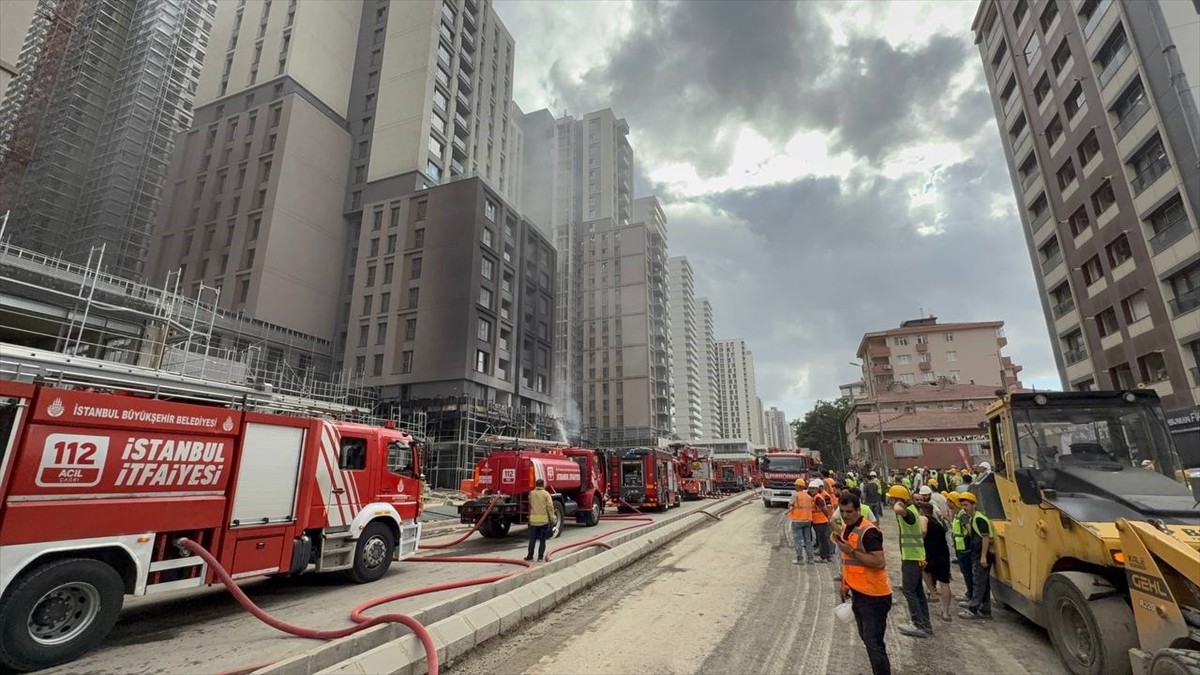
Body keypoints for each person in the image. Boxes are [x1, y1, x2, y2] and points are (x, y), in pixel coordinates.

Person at [835, 491, 893, 675]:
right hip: (858, 593)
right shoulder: (846, 529)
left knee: (874, 642)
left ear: (858, 510)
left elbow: (878, 562)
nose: (845, 515)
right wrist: (845, 584)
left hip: (874, 595)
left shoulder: (869, 532)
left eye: (849, 511)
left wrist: (852, 551)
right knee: (867, 638)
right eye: (842, 511)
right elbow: (847, 562)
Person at [886, 484, 934, 637]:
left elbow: (899, 510)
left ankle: (918, 624)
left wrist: (899, 504)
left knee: (909, 591)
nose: (890, 502)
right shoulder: (913, 510)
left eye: (891, 499)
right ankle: (925, 624)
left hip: (912, 557)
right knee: (917, 591)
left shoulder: (908, 513)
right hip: (916, 556)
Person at [957, 491, 994, 619]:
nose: (964, 508)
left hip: (982, 555)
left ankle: (974, 609)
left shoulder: (979, 518)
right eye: (962, 505)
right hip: (979, 554)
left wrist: (983, 556)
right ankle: (985, 610)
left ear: (974, 505)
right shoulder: (974, 517)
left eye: (966, 505)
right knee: (983, 583)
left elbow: (985, 537)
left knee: (978, 582)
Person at [916, 502, 953, 622]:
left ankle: (932, 592)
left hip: (930, 553)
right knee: (944, 582)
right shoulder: (939, 522)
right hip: (943, 553)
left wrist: (918, 539)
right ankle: (946, 612)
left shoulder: (923, 518)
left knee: (923, 570)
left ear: (921, 511)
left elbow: (923, 530)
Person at [948, 492, 973, 604]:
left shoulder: (962, 515)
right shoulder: (958, 514)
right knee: (965, 572)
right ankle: (969, 593)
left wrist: (966, 539)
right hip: (960, 548)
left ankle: (970, 595)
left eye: (948, 500)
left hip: (964, 548)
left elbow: (969, 530)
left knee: (968, 573)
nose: (946, 502)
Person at [524, 479, 555, 562]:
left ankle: (530, 556)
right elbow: (550, 507)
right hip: (543, 521)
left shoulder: (531, 493)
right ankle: (540, 557)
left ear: (536, 484)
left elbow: (530, 505)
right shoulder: (546, 494)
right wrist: (552, 518)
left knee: (532, 540)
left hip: (533, 520)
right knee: (542, 540)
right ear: (543, 485)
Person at [788, 478, 815, 565]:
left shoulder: (795, 495)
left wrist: (792, 507)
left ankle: (800, 559)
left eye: (795, 485)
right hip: (807, 520)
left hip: (797, 520)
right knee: (808, 540)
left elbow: (790, 505)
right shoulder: (808, 496)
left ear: (798, 486)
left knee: (798, 540)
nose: (795, 486)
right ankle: (810, 559)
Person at [810, 479, 834, 562]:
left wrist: (828, 517)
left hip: (821, 521)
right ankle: (826, 556)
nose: (811, 490)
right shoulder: (816, 497)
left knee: (822, 539)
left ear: (818, 489)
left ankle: (824, 557)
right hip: (818, 521)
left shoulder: (818, 498)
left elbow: (825, 508)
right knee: (822, 539)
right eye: (810, 488)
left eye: (813, 488)